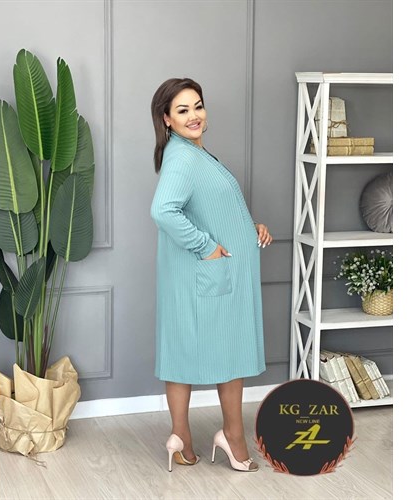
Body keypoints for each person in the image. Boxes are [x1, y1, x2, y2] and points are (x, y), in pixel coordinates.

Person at [150, 78, 273, 473]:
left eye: (198, 106)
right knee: (229, 351)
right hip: (207, 271)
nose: (194, 116)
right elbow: (163, 210)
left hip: (200, 273)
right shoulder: (184, 158)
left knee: (180, 348)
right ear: (166, 119)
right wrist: (207, 247)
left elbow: (212, 207)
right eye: (182, 110)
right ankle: (233, 437)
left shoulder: (192, 153)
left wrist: (249, 227)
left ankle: (181, 440)